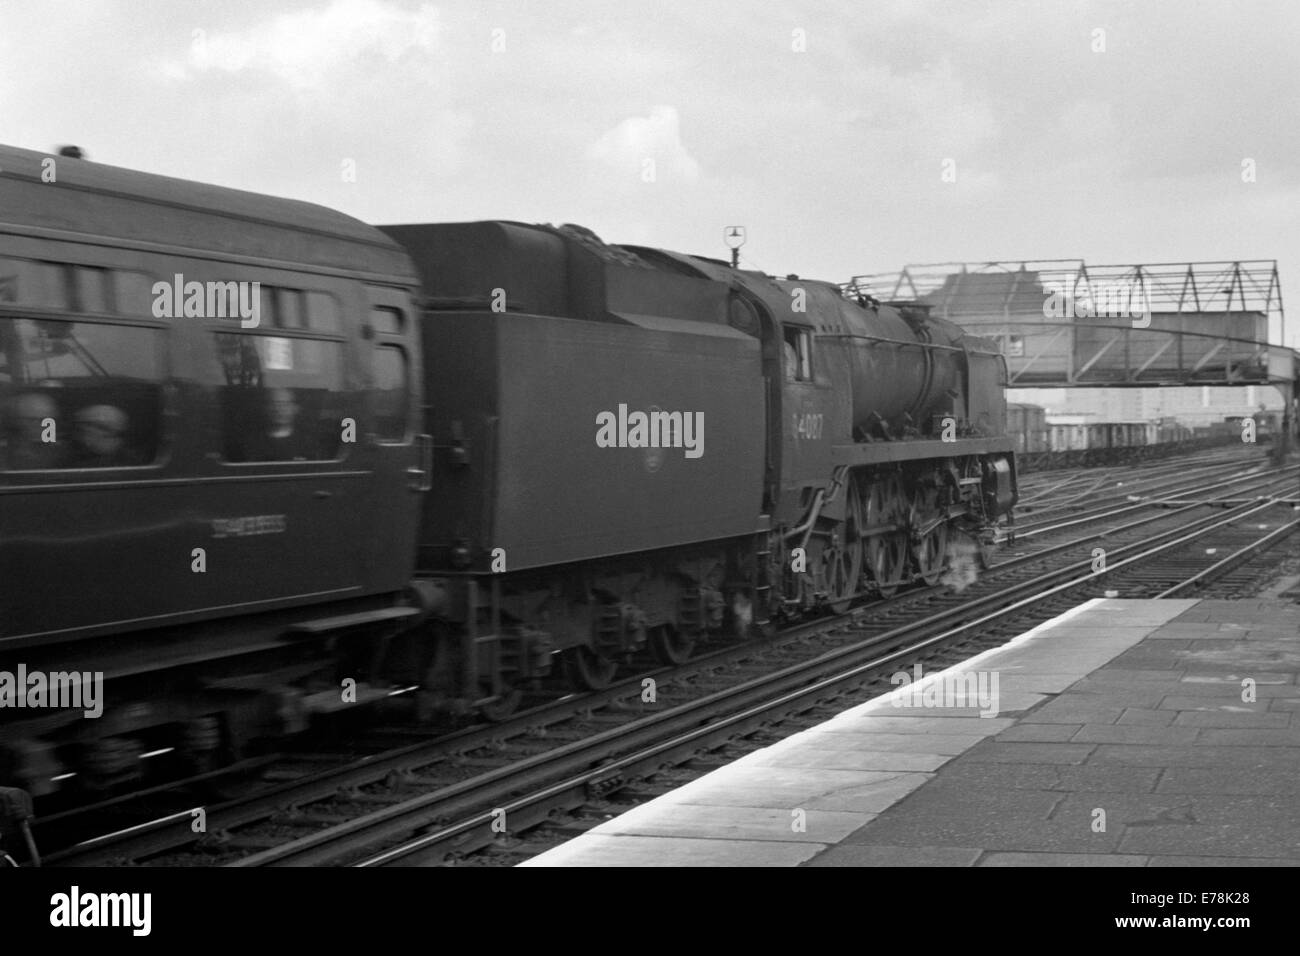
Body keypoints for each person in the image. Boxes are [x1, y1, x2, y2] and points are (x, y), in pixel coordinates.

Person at [2, 392, 64, 469]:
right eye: (33, 420)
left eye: (48, 421)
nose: (42, 426)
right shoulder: (5, 454)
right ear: (18, 421)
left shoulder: (61, 453)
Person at [71, 404, 137, 468]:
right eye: (81, 427)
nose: (87, 430)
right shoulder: (73, 456)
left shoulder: (130, 462)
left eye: (100, 427)